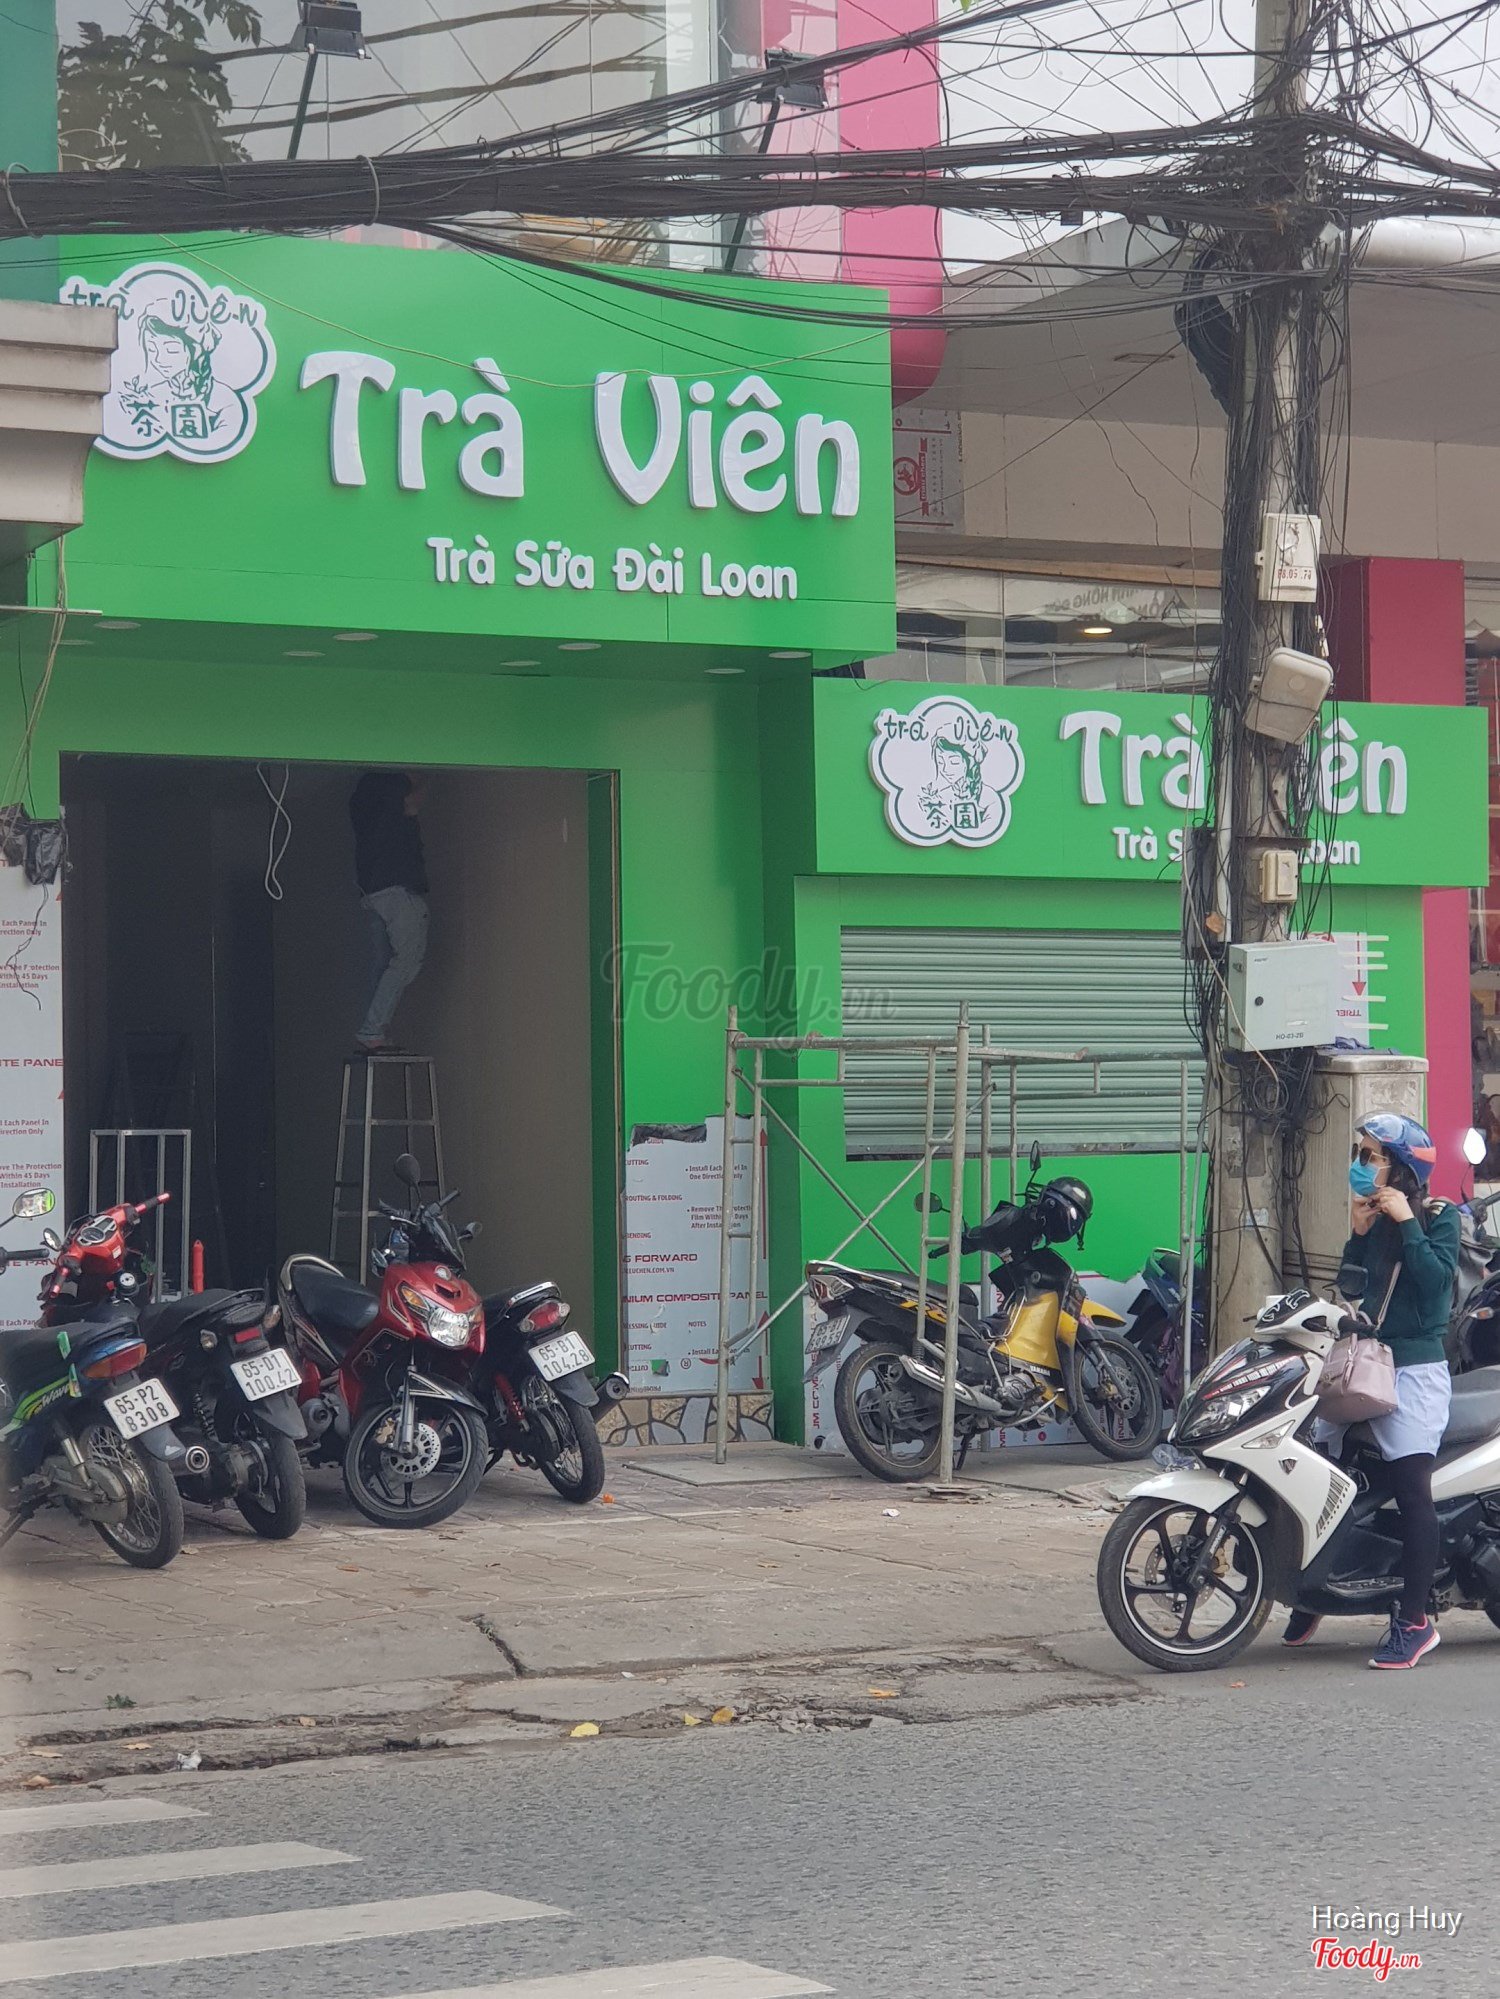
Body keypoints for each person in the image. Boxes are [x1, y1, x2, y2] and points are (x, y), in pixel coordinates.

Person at [1284, 1112, 1458, 1669]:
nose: (1359, 1166)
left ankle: (1415, 1621)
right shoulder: (1373, 1218)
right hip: (1362, 1363)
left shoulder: (1440, 1216)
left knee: (1412, 1492)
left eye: (1369, 1157)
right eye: (1358, 1154)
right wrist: (1358, 1236)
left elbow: (1436, 1286)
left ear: (1400, 1168)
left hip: (1414, 1371)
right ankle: (1312, 1593)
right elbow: (1350, 1285)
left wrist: (1408, 1223)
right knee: (1317, 1471)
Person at [350, 771, 428, 1054]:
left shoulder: (362, 794)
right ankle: (372, 1029)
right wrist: (430, 774)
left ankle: (372, 1029)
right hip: (395, 887)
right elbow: (411, 804)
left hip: (373, 890)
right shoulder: (389, 783)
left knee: (385, 965)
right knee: (406, 960)